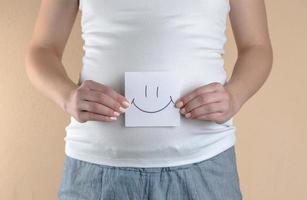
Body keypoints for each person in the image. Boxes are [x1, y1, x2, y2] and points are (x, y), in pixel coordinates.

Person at [25, 0, 273, 199]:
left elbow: (257, 47)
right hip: (96, 169)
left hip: (205, 165)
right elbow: (42, 49)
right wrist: (68, 97)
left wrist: (234, 96)